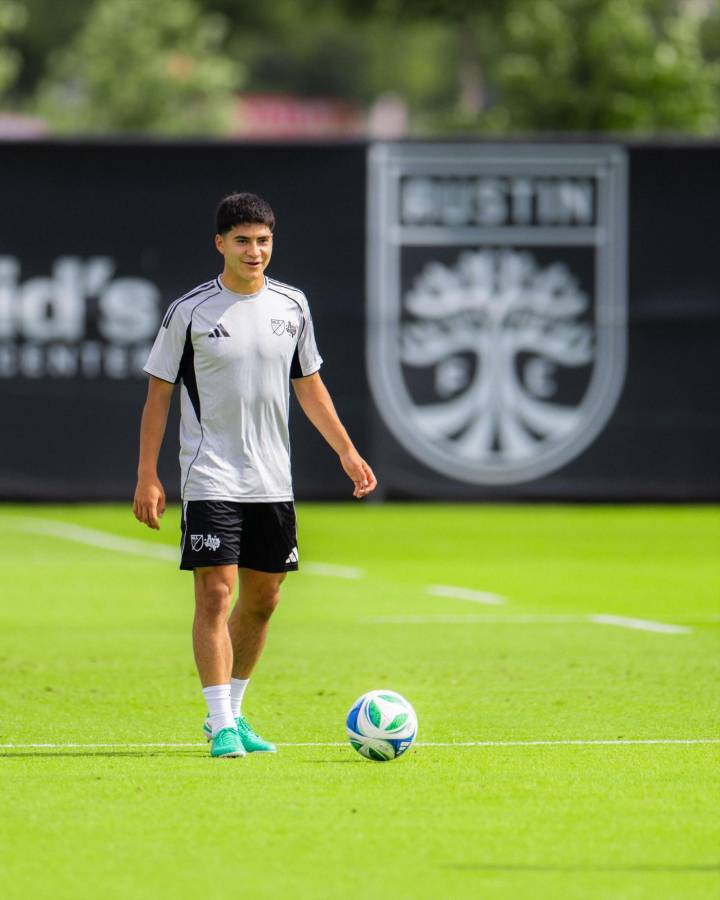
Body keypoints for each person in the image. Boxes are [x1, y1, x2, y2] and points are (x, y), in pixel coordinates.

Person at [133, 192, 376, 758]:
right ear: (220, 243)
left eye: (263, 241)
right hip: (211, 475)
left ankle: (234, 713)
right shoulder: (189, 311)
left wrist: (346, 451)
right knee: (216, 593)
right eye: (242, 240)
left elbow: (309, 385)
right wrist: (147, 475)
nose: (254, 251)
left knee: (264, 599)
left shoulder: (293, 305)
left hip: (272, 481)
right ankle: (220, 723)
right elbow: (158, 395)